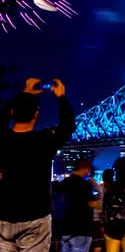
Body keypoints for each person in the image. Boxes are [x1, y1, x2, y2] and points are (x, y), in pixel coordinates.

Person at [0, 78, 75, 250]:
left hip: (3, 217)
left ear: (12, 112)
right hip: (36, 218)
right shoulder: (45, 140)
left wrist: (24, 92)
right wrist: (61, 97)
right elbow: (68, 125)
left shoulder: (2, 139)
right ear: (36, 114)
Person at [61, 159, 101, 252]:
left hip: (65, 227)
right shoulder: (85, 185)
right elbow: (92, 203)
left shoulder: (64, 183)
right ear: (86, 168)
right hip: (81, 228)